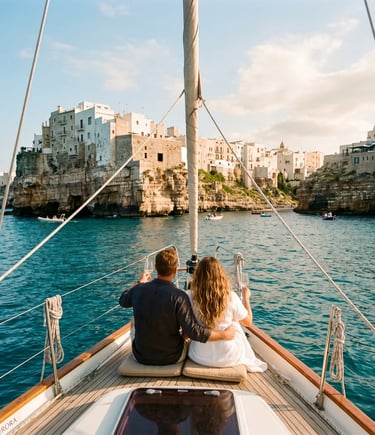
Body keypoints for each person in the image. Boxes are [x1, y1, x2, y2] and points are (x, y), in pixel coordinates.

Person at [119, 248, 235, 365]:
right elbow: (193, 332)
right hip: (172, 357)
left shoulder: (138, 290)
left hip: (140, 356)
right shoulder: (179, 296)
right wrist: (224, 334)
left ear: (155, 267)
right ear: (175, 270)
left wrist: (140, 282)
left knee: (133, 320)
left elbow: (123, 301)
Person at [187, 256, 267, 372]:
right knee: (234, 322)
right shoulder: (230, 297)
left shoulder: (189, 296)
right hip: (229, 357)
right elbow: (248, 322)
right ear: (221, 275)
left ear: (197, 275)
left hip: (199, 356)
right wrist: (246, 299)